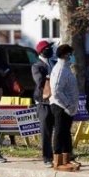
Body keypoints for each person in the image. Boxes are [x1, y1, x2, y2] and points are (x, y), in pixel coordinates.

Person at [49, 44, 80, 171]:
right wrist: (67, 104)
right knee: (60, 132)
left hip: (68, 107)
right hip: (60, 106)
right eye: (70, 54)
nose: (72, 57)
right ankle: (57, 161)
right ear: (64, 55)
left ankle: (66, 159)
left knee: (66, 133)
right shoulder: (60, 69)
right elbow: (56, 91)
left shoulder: (67, 68)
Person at [32, 39, 55, 167]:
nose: (51, 50)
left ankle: (60, 153)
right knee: (46, 130)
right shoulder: (37, 66)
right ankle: (47, 156)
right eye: (48, 49)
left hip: (56, 101)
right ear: (42, 51)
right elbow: (39, 82)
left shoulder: (54, 62)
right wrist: (51, 77)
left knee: (59, 129)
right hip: (43, 101)